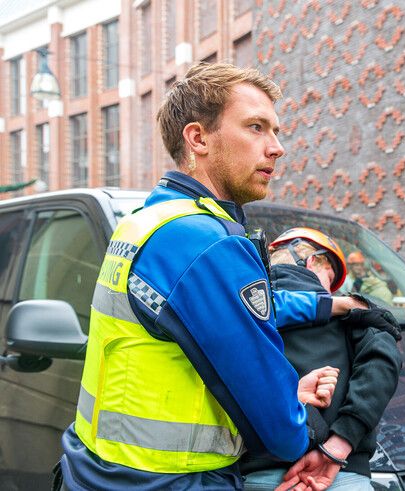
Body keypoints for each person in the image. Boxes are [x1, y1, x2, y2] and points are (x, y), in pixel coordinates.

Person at [57, 62, 378, 490]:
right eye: (256, 127)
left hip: (100, 470)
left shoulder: (146, 221)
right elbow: (281, 434)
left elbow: (185, 352)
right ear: (198, 138)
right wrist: (300, 426)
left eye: (276, 131)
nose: (277, 147)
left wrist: (323, 310)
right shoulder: (207, 242)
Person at [241, 228, 402, 490]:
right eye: (330, 278)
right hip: (341, 474)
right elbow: (383, 363)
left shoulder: (243, 310)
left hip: (257, 474)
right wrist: (339, 444)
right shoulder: (352, 312)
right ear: (313, 261)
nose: (330, 291)